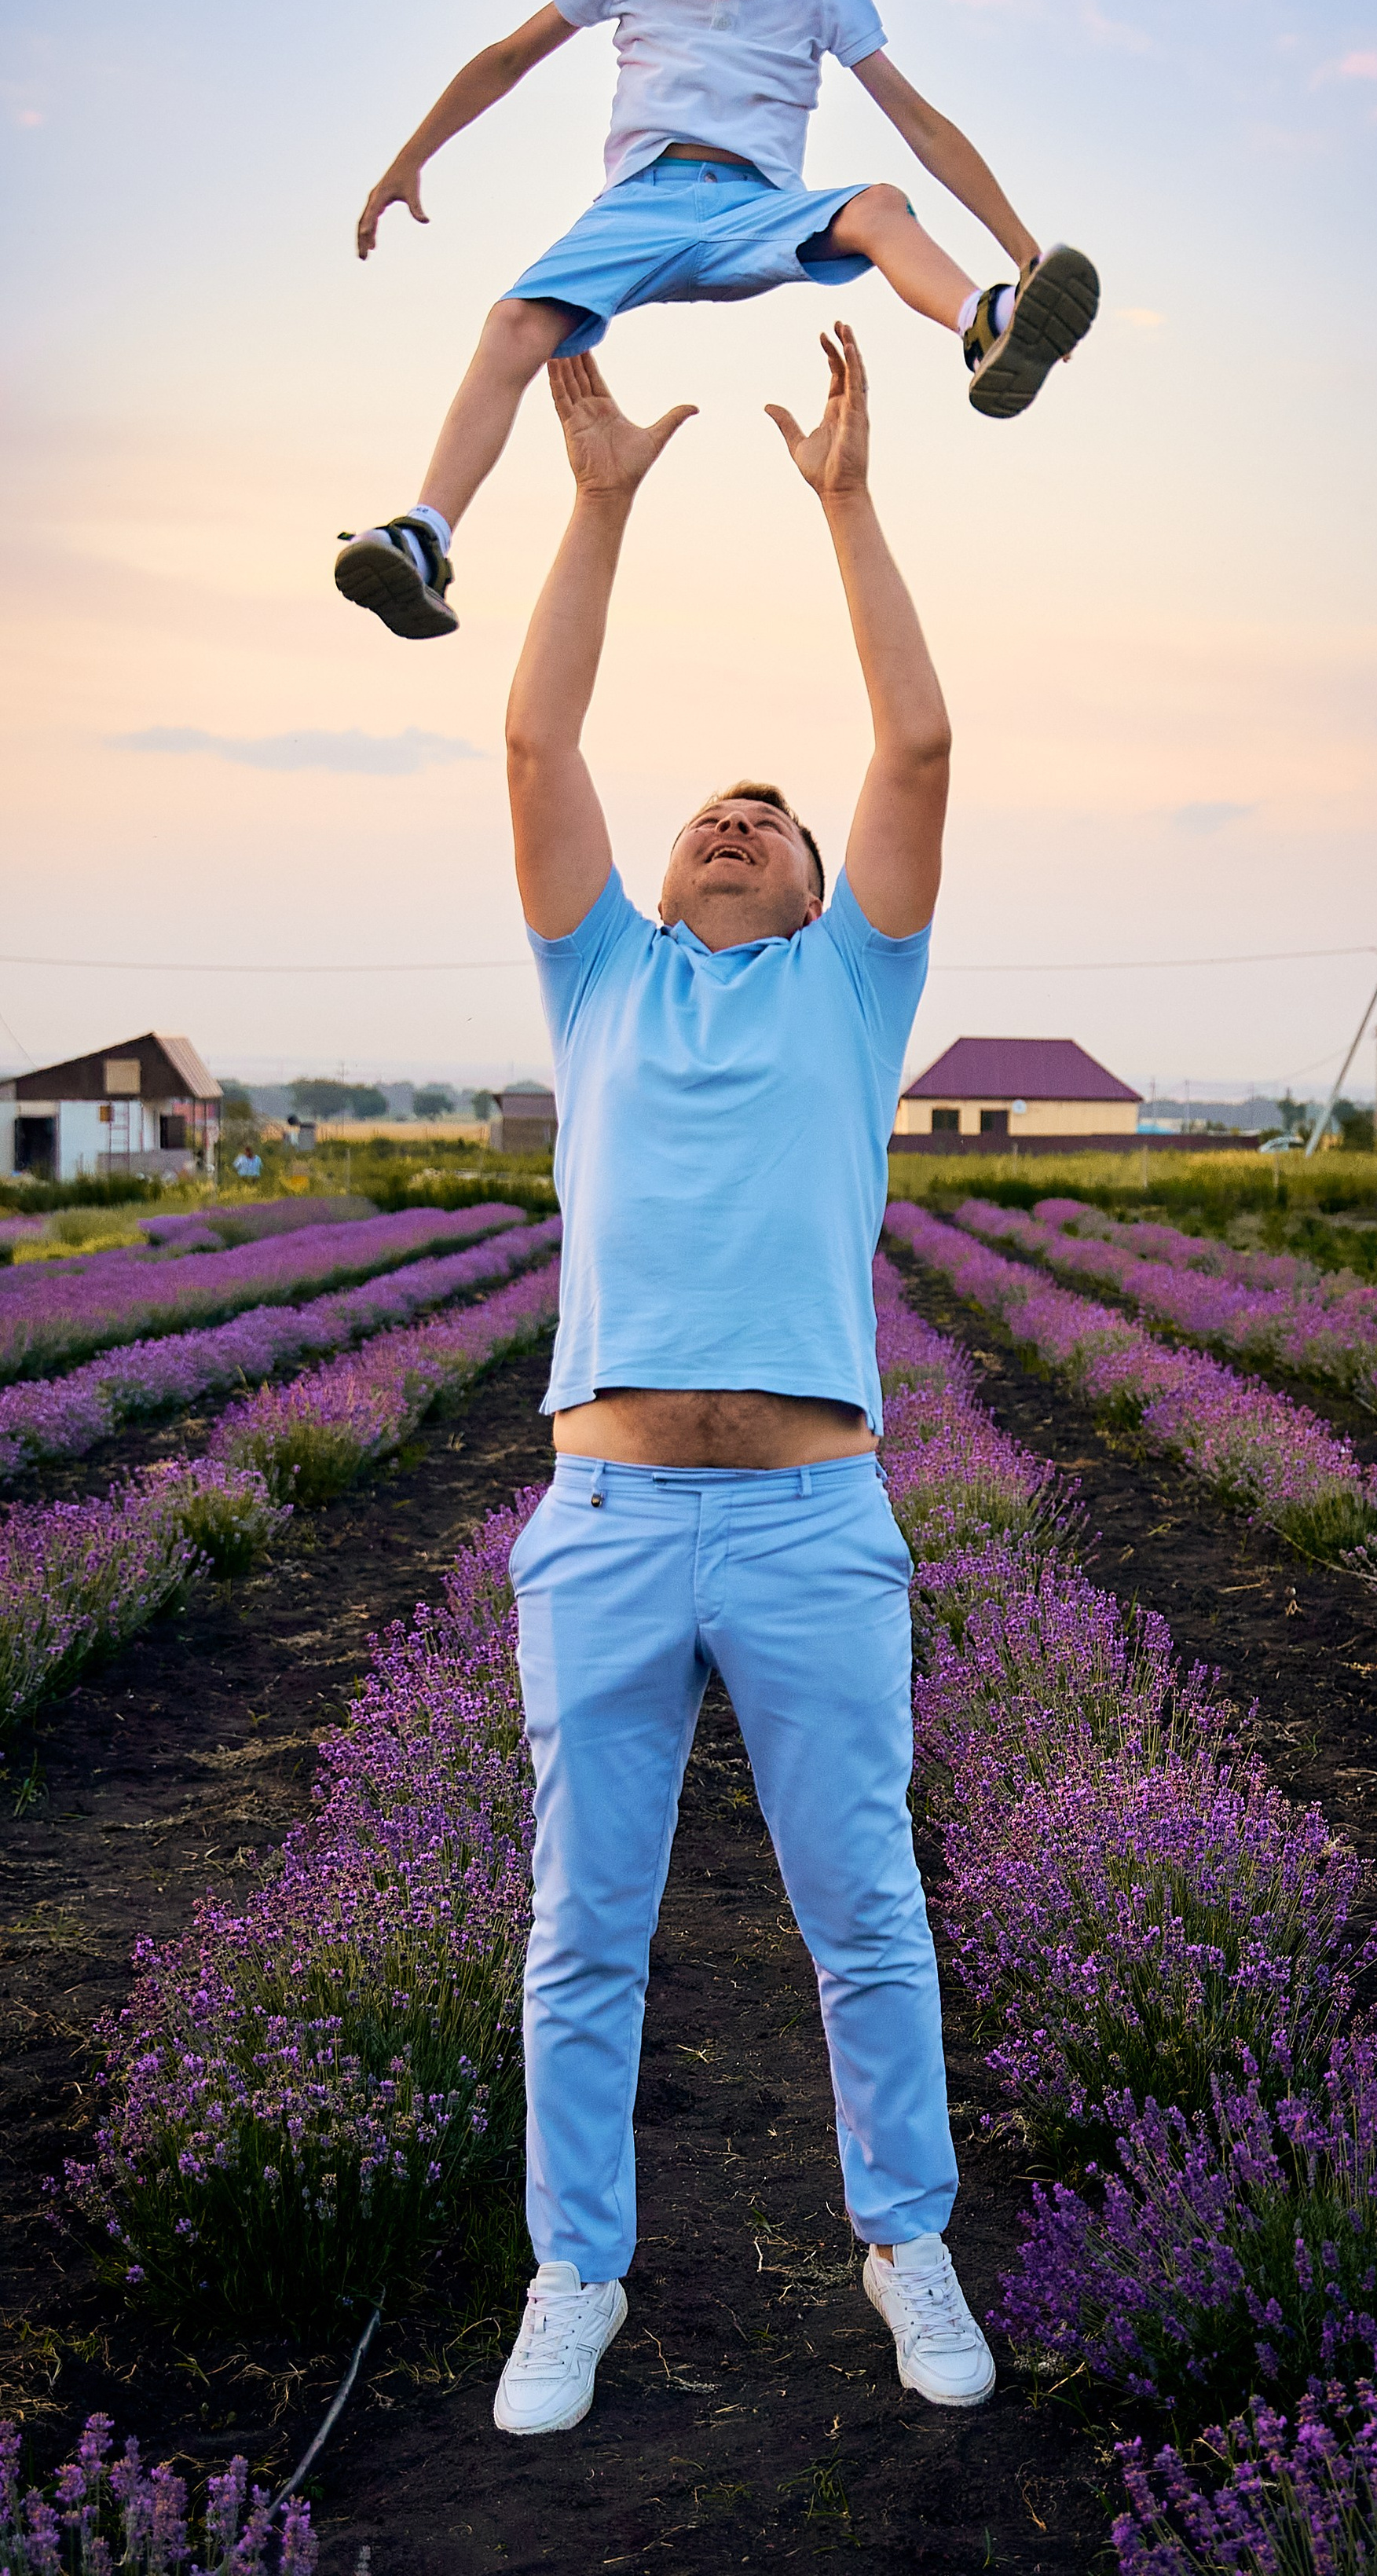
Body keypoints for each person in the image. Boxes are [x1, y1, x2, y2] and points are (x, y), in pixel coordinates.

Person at [490, 321, 992, 2440]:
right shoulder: (597, 972)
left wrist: (848, 503)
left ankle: (905, 2242)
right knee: (583, 1937)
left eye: (771, 822)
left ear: (811, 899)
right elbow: (532, 748)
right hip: (606, 1523)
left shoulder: (849, 997)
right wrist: (592, 506)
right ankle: (575, 2277)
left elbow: (923, 751)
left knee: (863, 1915)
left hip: (806, 1523)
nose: (741, 818)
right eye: (717, 806)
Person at [336, 0, 1098, 641]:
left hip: (758, 209)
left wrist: (1025, 252)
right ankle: (423, 537)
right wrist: (410, 158)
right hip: (637, 208)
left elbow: (919, 123)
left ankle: (990, 318)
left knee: (882, 204)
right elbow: (510, 58)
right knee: (511, 324)